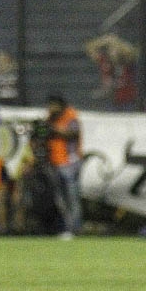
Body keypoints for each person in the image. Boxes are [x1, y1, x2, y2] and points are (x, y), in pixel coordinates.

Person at [45, 93, 83, 238]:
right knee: (61, 199)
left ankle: (75, 229)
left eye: (53, 105)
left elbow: (73, 133)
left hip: (70, 163)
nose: (51, 108)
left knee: (72, 198)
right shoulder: (50, 119)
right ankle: (67, 228)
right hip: (55, 162)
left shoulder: (70, 116)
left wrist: (53, 129)